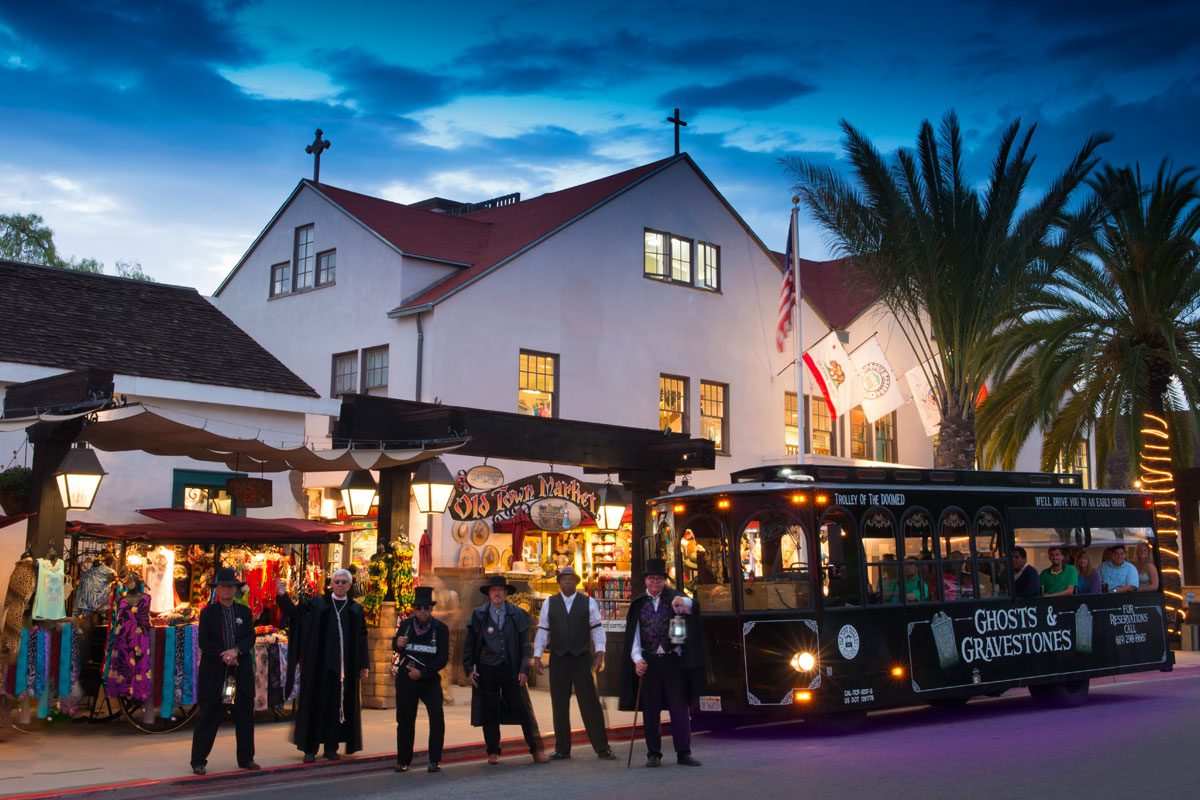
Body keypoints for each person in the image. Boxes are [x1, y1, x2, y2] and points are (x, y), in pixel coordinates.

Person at [619, 558, 706, 768]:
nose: (655, 583)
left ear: (664, 581)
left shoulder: (674, 598)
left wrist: (683, 602)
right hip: (649, 662)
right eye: (651, 579)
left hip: (672, 661)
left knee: (679, 707)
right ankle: (653, 753)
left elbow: (695, 606)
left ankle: (683, 752)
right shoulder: (639, 604)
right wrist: (637, 660)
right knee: (651, 709)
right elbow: (634, 637)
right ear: (646, 581)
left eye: (659, 579)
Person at [277, 569, 369, 762]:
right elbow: (296, 616)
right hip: (318, 667)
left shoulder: (355, 610)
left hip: (344, 670)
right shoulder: (319, 604)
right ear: (332, 583)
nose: (341, 585)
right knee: (315, 706)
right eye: (337, 581)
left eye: (344, 582)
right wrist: (283, 597)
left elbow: (362, 639)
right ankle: (310, 749)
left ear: (350, 585)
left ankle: (331, 748)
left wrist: (363, 665)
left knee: (337, 709)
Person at [531, 566, 616, 761]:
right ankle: (562, 748)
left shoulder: (588, 602)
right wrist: (537, 656)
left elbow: (596, 629)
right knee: (559, 704)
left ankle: (602, 747)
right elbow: (543, 629)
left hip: (582, 658)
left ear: (576, 582)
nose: (566, 582)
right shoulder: (549, 603)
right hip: (558, 658)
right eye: (563, 579)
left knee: (590, 703)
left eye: (570, 579)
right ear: (559, 582)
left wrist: (601, 653)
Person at [464, 575, 548, 764]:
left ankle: (536, 750)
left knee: (523, 709)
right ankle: (493, 751)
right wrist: (469, 669)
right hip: (487, 669)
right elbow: (469, 645)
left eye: (500, 590)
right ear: (489, 594)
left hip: (511, 667)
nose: (497, 593)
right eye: (493, 590)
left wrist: (524, 670)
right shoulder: (479, 615)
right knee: (490, 710)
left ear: (506, 593)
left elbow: (525, 645)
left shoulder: (517, 614)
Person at [191, 568, 258, 775]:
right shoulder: (208, 612)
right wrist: (224, 654)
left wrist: (236, 651)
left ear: (235, 588)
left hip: (240, 670)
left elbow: (250, 637)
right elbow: (204, 641)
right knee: (209, 715)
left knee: (245, 715)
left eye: (230, 586)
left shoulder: (244, 612)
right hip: (216, 672)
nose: (227, 589)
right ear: (217, 589)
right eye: (223, 586)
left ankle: (246, 758)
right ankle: (199, 760)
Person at [393, 585, 449, 773]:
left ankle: (435, 760)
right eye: (419, 608)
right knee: (405, 720)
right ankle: (403, 760)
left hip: (429, 679)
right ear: (414, 609)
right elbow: (397, 646)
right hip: (407, 679)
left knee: (436, 716)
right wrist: (397, 643)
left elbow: (442, 658)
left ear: (431, 609)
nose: (423, 612)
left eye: (426, 608)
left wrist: (423, 673)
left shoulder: (441, 629)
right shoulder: (406, 625)